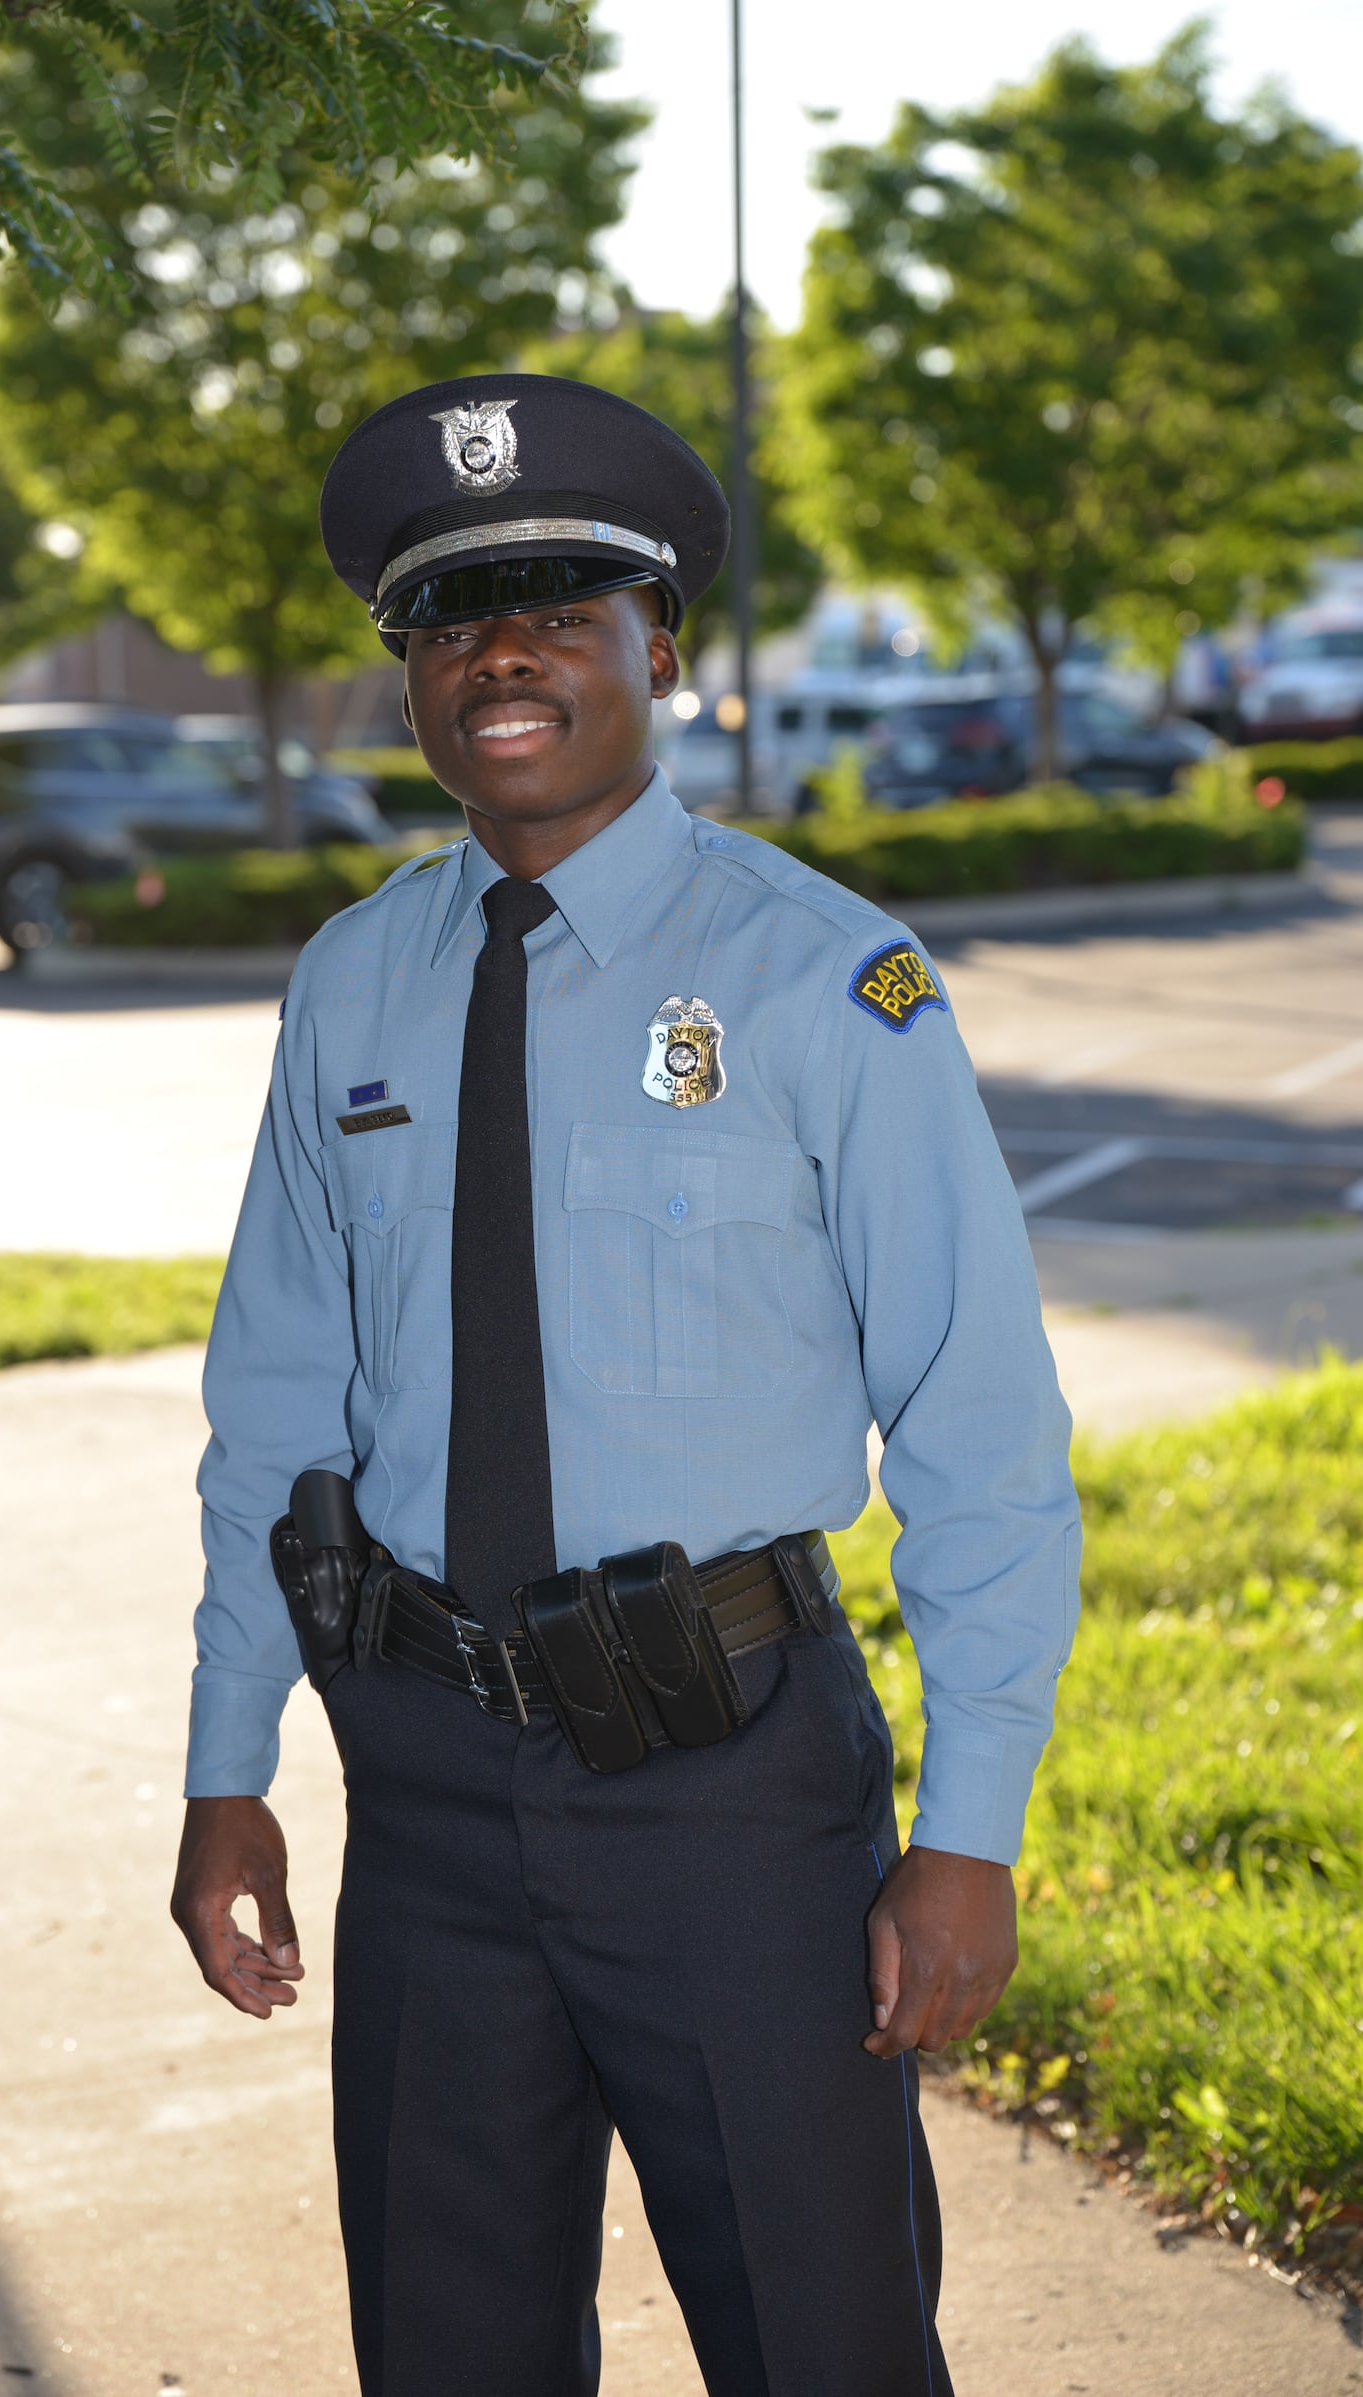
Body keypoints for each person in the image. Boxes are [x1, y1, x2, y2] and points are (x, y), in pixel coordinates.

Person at [171, 375, 1081, 2397]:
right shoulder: (352, 980)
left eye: (558, 599)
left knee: (817, 2336)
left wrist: (970, 1824)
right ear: (406, 671)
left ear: (652, 647)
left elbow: (979, 1430)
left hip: (726, 1785)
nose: (499, 646)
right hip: (417, 1779)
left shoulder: (825, 981)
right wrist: (228, 1758)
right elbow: (276, 1397)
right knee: (446, 2344)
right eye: (448, 609)